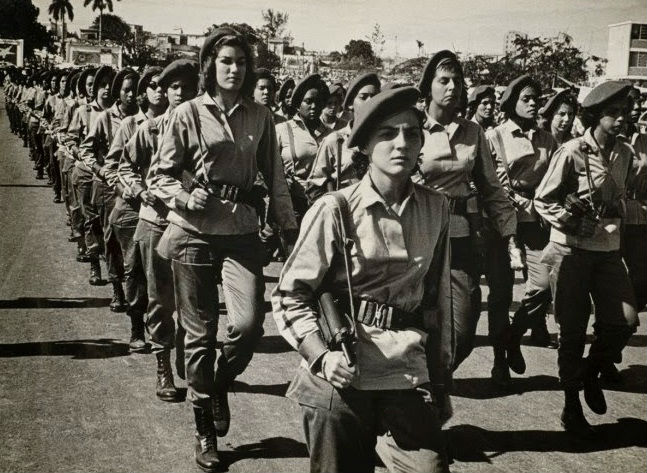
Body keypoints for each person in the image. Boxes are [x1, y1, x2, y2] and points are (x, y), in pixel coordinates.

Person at [273, 86, 453, 473]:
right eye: (387, 134)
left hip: (405, 370)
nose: (401, 143)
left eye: (411, 133)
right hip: (343, 374)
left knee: (430, 468)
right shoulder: (334, 209)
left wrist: (440, 382)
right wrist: (321, 355)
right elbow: (290, 294)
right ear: (365, 146)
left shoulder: (437, 208)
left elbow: (437, 303)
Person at [148, 28, 297, 471]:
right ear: (210, 65)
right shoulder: (188, 113)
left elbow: (276, 177)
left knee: (249, 325)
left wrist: (287, 228)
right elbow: (161, 175)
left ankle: (216, 383)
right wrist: (180, 196)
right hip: (193, 232)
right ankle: (204, 428)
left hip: (241, 232)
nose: (235, 69)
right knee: (199, 334)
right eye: (226, 61)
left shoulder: (261, 115)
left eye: (241, 62)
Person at [534, 81, 639, 438]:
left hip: (608, 251)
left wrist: (620, 208)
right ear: (595, 116)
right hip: (571, 252)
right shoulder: (572, 151)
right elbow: (542, 199)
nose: (623, 119)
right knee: (572, 331)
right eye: (615, 113)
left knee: (624, 322)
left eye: (626, 112)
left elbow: (625, 197)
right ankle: (570, 404)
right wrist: (569, 215)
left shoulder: (625, 154)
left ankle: (592, 371)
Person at [415, 51, 519, 374]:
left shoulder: (473, 132)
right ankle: (414, 395)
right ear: (428, 86)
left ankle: (432, 379)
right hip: (417, 234)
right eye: (443, 80)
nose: (452, 87)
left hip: (461, 238)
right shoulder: (412, 127)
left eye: (457, 81)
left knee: (463, 330)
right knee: (415, 318)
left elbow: (490, 186)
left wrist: (508, 231)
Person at [119, 58, 200, 400]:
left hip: (193, 224)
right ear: (164, 92)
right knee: (160, 299)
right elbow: (124, 167)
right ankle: (162, 363)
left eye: (187, 87)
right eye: (174, 87)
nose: (181, 93)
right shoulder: (149, 129)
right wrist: (140, 191)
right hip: (156, 221)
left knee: (194, 300)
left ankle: (188, 354)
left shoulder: (203, 128)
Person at [485, 75, 559, 386]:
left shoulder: (547, 140)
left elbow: (557, 178)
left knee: (543, 285)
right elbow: (483, 181)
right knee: (501, 296)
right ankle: (500, 359)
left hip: (536, 223)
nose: (533, 103)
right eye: (526, 98)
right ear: (512, 101)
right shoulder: (493, 136)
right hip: (500, 226)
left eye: (536, 98)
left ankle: (515, 334)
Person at [104, 66, 164, 352]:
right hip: (131, 208)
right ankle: (137, 326)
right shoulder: (130, 125)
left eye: (164, 84)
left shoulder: (180, 122)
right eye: (153, 84)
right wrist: (128, 188)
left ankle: (161, 323)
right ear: (144, 92)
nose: (160, 89)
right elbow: (112, 167)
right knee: (135, 269)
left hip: (166, 209)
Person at [79, 67, 140, 312]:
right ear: (118, 92)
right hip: (108, 189)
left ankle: (136, 290)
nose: (131, 95)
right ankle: (117, 290)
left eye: (135, 90)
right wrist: (101, 170)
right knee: (111, 240)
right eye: (126, 90)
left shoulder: (143, 119)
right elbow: (86, 151)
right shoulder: (105, 118)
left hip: (136, 190)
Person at [306, 72, 381, 202]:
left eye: (374, 96)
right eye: (363, 97)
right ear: (350, 103)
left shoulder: (385, 140)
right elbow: (314, 186)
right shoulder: (335, 140)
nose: (370, 102)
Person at [276, 73, 331, 222]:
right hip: (291, 204)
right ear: (298, 103)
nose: (314, 106)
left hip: (321, 204)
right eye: (308, 101)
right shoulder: (282, 130)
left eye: (318, 101)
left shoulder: (330, 135)